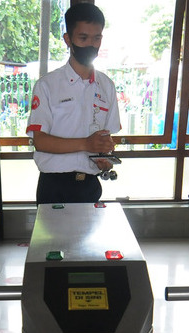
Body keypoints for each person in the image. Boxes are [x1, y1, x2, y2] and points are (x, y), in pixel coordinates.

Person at [25, 3, 121, 204]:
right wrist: (86, 144)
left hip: (89, 186)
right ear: (68, 40)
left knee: (90, 237)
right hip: (54, 187)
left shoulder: (106, 86)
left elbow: (105, 139)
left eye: (97, 38)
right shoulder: (47, 85)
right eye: (83, 38)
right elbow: (40, 141)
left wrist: (105, 159)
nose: (91, 45)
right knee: (53, 237)